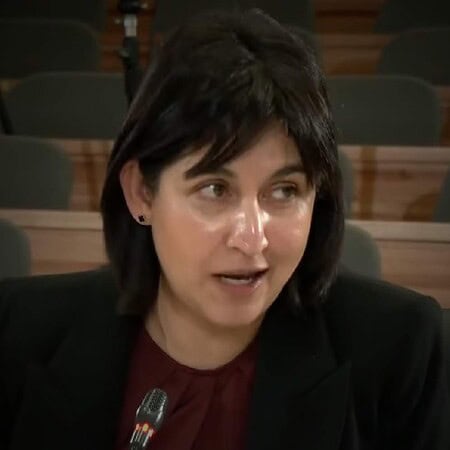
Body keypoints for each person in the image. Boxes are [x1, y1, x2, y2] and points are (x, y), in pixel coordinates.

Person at [0, 9, 448, 450]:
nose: (252, 239)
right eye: (215, 189)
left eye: (285, 190)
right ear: (141, 193)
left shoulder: (403, 350)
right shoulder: (15, 331)